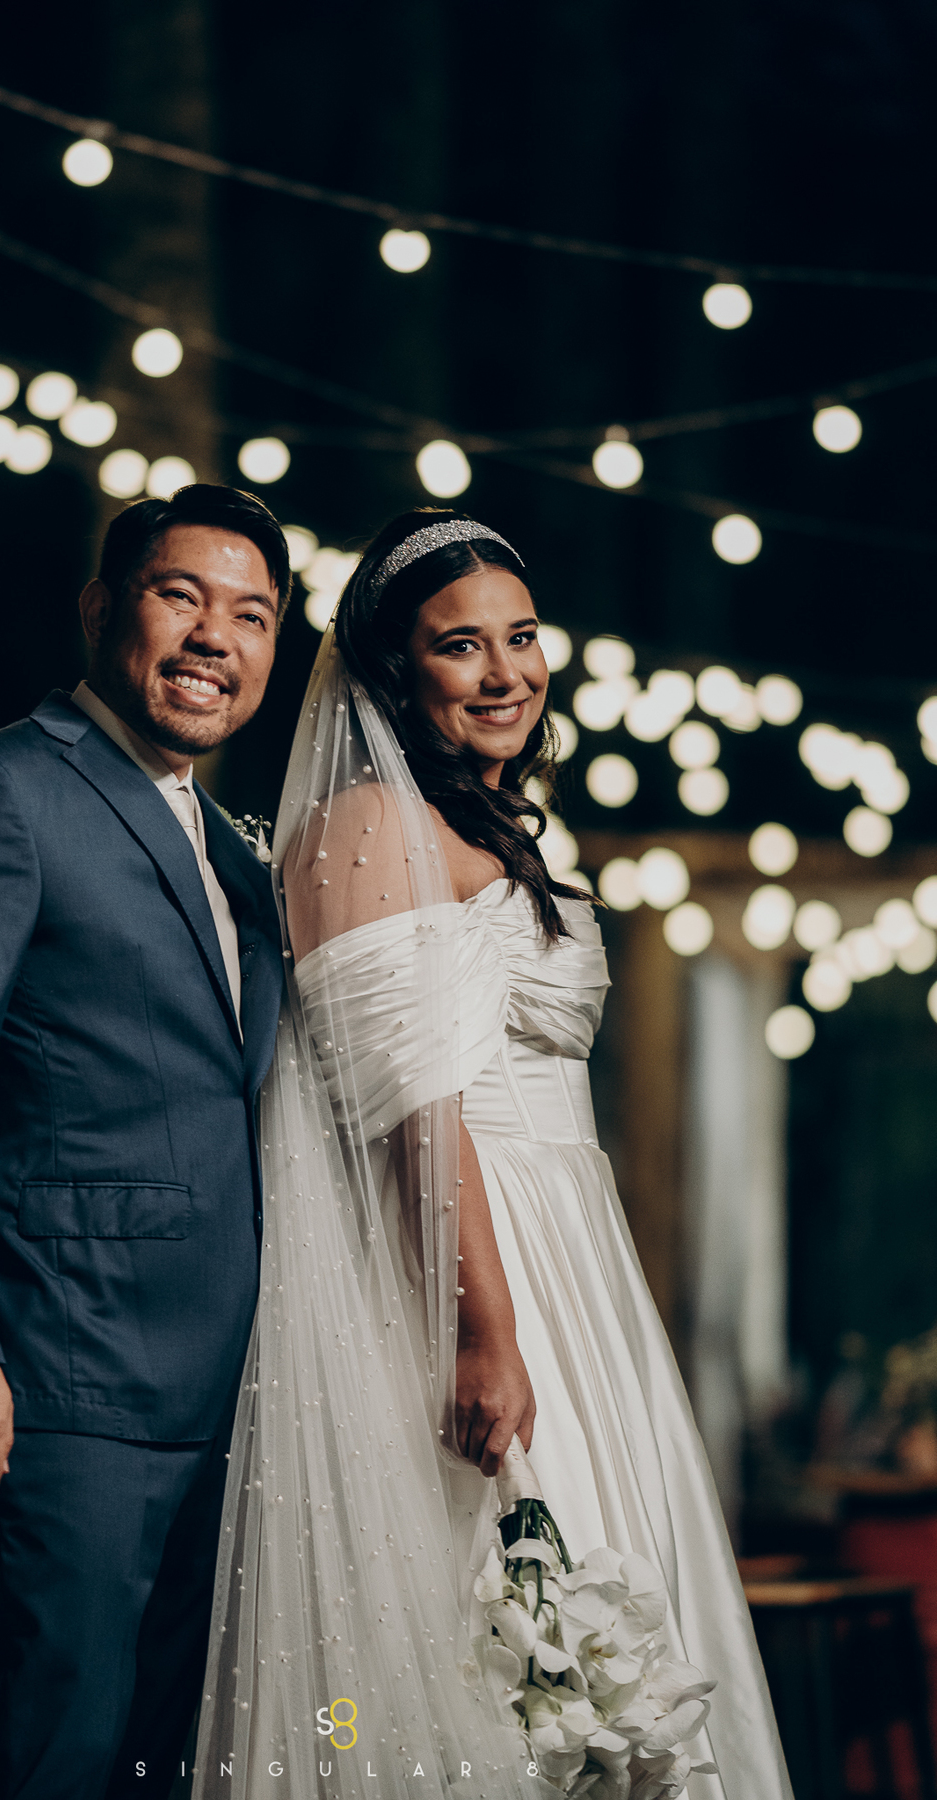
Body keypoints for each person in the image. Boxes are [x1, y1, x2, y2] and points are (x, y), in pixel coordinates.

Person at [193, 510, 793, 1796]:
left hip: (573, 1251)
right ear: (394, 671)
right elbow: (418, 1104)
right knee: (490, 1620)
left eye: (521, 636)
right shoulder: (364, 823)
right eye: (460, 645)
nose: (506, 671)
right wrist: (484, 1329)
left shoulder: (497, 824)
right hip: (468, 1257)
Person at [0, 484, 289, 1800]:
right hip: (58, 1391)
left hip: (228, 1396)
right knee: (57, 1754)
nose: (214, 636)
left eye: (252, 615)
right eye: (181, 596)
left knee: (167, 1768)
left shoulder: (235, 853)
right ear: (102, 609)